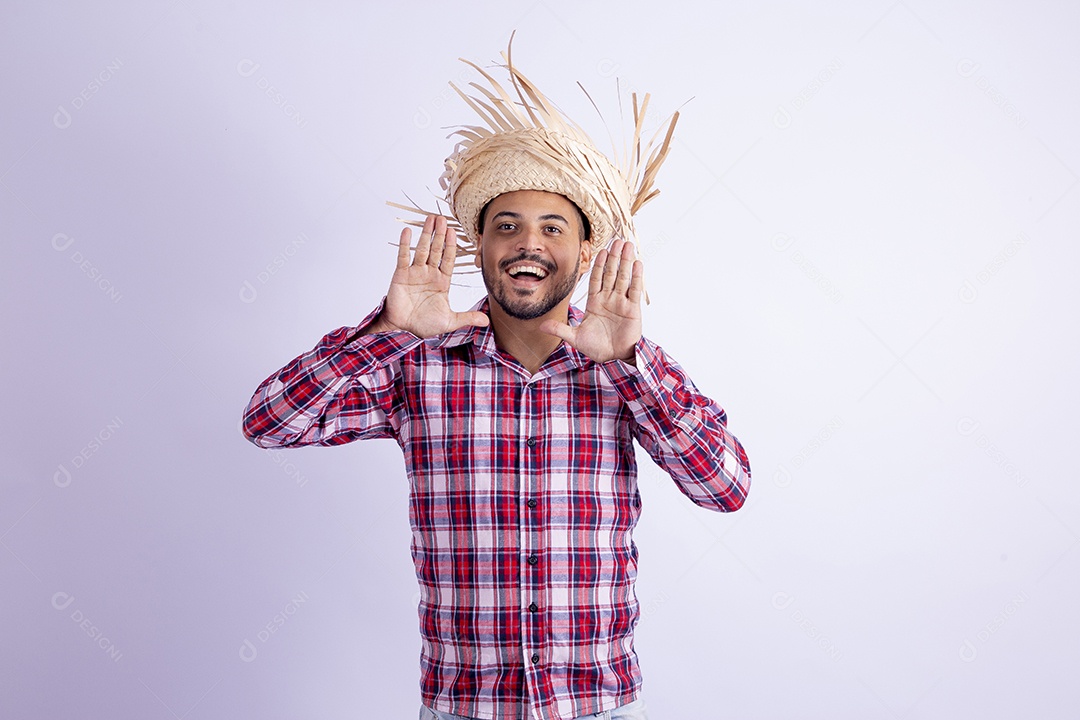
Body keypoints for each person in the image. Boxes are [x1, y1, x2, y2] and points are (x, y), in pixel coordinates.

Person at [242, 43, 751, 720]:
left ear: (584, 251)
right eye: (505, 227)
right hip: (464, 708)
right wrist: (389, 335)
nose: (527, 243)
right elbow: (269, 423)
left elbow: (726, 487)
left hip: (595, 706)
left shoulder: (627, 369)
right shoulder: (418, 368)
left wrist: (631, 367)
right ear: (478, 248)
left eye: (552, 227)